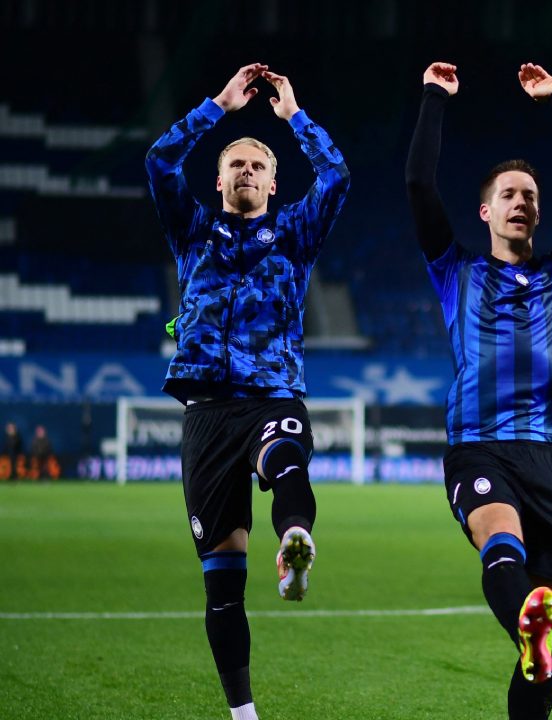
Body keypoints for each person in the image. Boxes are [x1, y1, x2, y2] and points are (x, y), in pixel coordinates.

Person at [145, 62, 350, 720]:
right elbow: (159, 161)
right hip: (207, 412)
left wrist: (293, 119)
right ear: (218, 179)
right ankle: (244, 714)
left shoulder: (294, 233)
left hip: (272, 395)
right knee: (222, 586)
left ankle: (295, 542)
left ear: (273, 182)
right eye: (235, 163)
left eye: (259, 166)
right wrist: (218, 108)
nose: (247, 172)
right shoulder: (191, 229)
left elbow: (337, 176)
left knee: (285, 458)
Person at [406, 61, 552, 719]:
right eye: (510, 194)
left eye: (531, 195)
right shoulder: (456, 272)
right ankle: (526, 618)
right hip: (480, 445)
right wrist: (435, 98)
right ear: (486, 211)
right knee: (502, 541)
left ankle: (533, 630)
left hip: (548, 456)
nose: (523, 202)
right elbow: (418, 182)